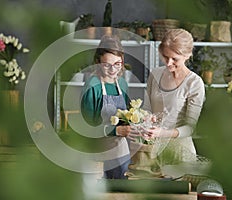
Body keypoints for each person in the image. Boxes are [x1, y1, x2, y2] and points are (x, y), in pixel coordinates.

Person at [143, 28, 205, 164]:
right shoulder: (155, 75)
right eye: (165, 56)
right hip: (152, 150)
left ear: (187, 55)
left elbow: (189, 128)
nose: (168, 63)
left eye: (174, 59)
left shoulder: (194, 83)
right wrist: (147, 118)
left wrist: (162, 133)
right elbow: (146, 108)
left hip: (180, 154)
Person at [80, 35, 131, 179]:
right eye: (107, 64)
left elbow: (127, 115)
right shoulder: (92, 86)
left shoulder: (122, 84)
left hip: (120, 151)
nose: (113, 69)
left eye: (117, 64)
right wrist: (116, 130)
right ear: (97, 62)